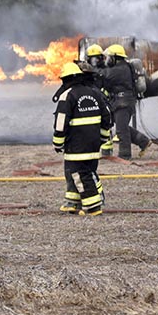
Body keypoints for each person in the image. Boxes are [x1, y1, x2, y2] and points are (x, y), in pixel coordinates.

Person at [53, 62, 113, 216]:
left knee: (80, 174)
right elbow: (107, 116)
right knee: (85, 171)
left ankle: (93, 206)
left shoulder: (67, 95)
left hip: (76, 145)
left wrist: (57, 143)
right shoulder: (94, 93)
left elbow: (61, 122)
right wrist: (103, 138)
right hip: (93, 145)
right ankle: (72, 203)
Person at [101, 44, 152, 160]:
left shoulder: (121, 69)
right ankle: (143, 141)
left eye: (109, 57)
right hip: (121, 101)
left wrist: (90, 69)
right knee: (122, 126)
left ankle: (125, 155)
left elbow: (106, 75)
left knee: (121, 130)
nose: (107, 60)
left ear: (115, 58)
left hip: (123, 102)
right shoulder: (121, 68)